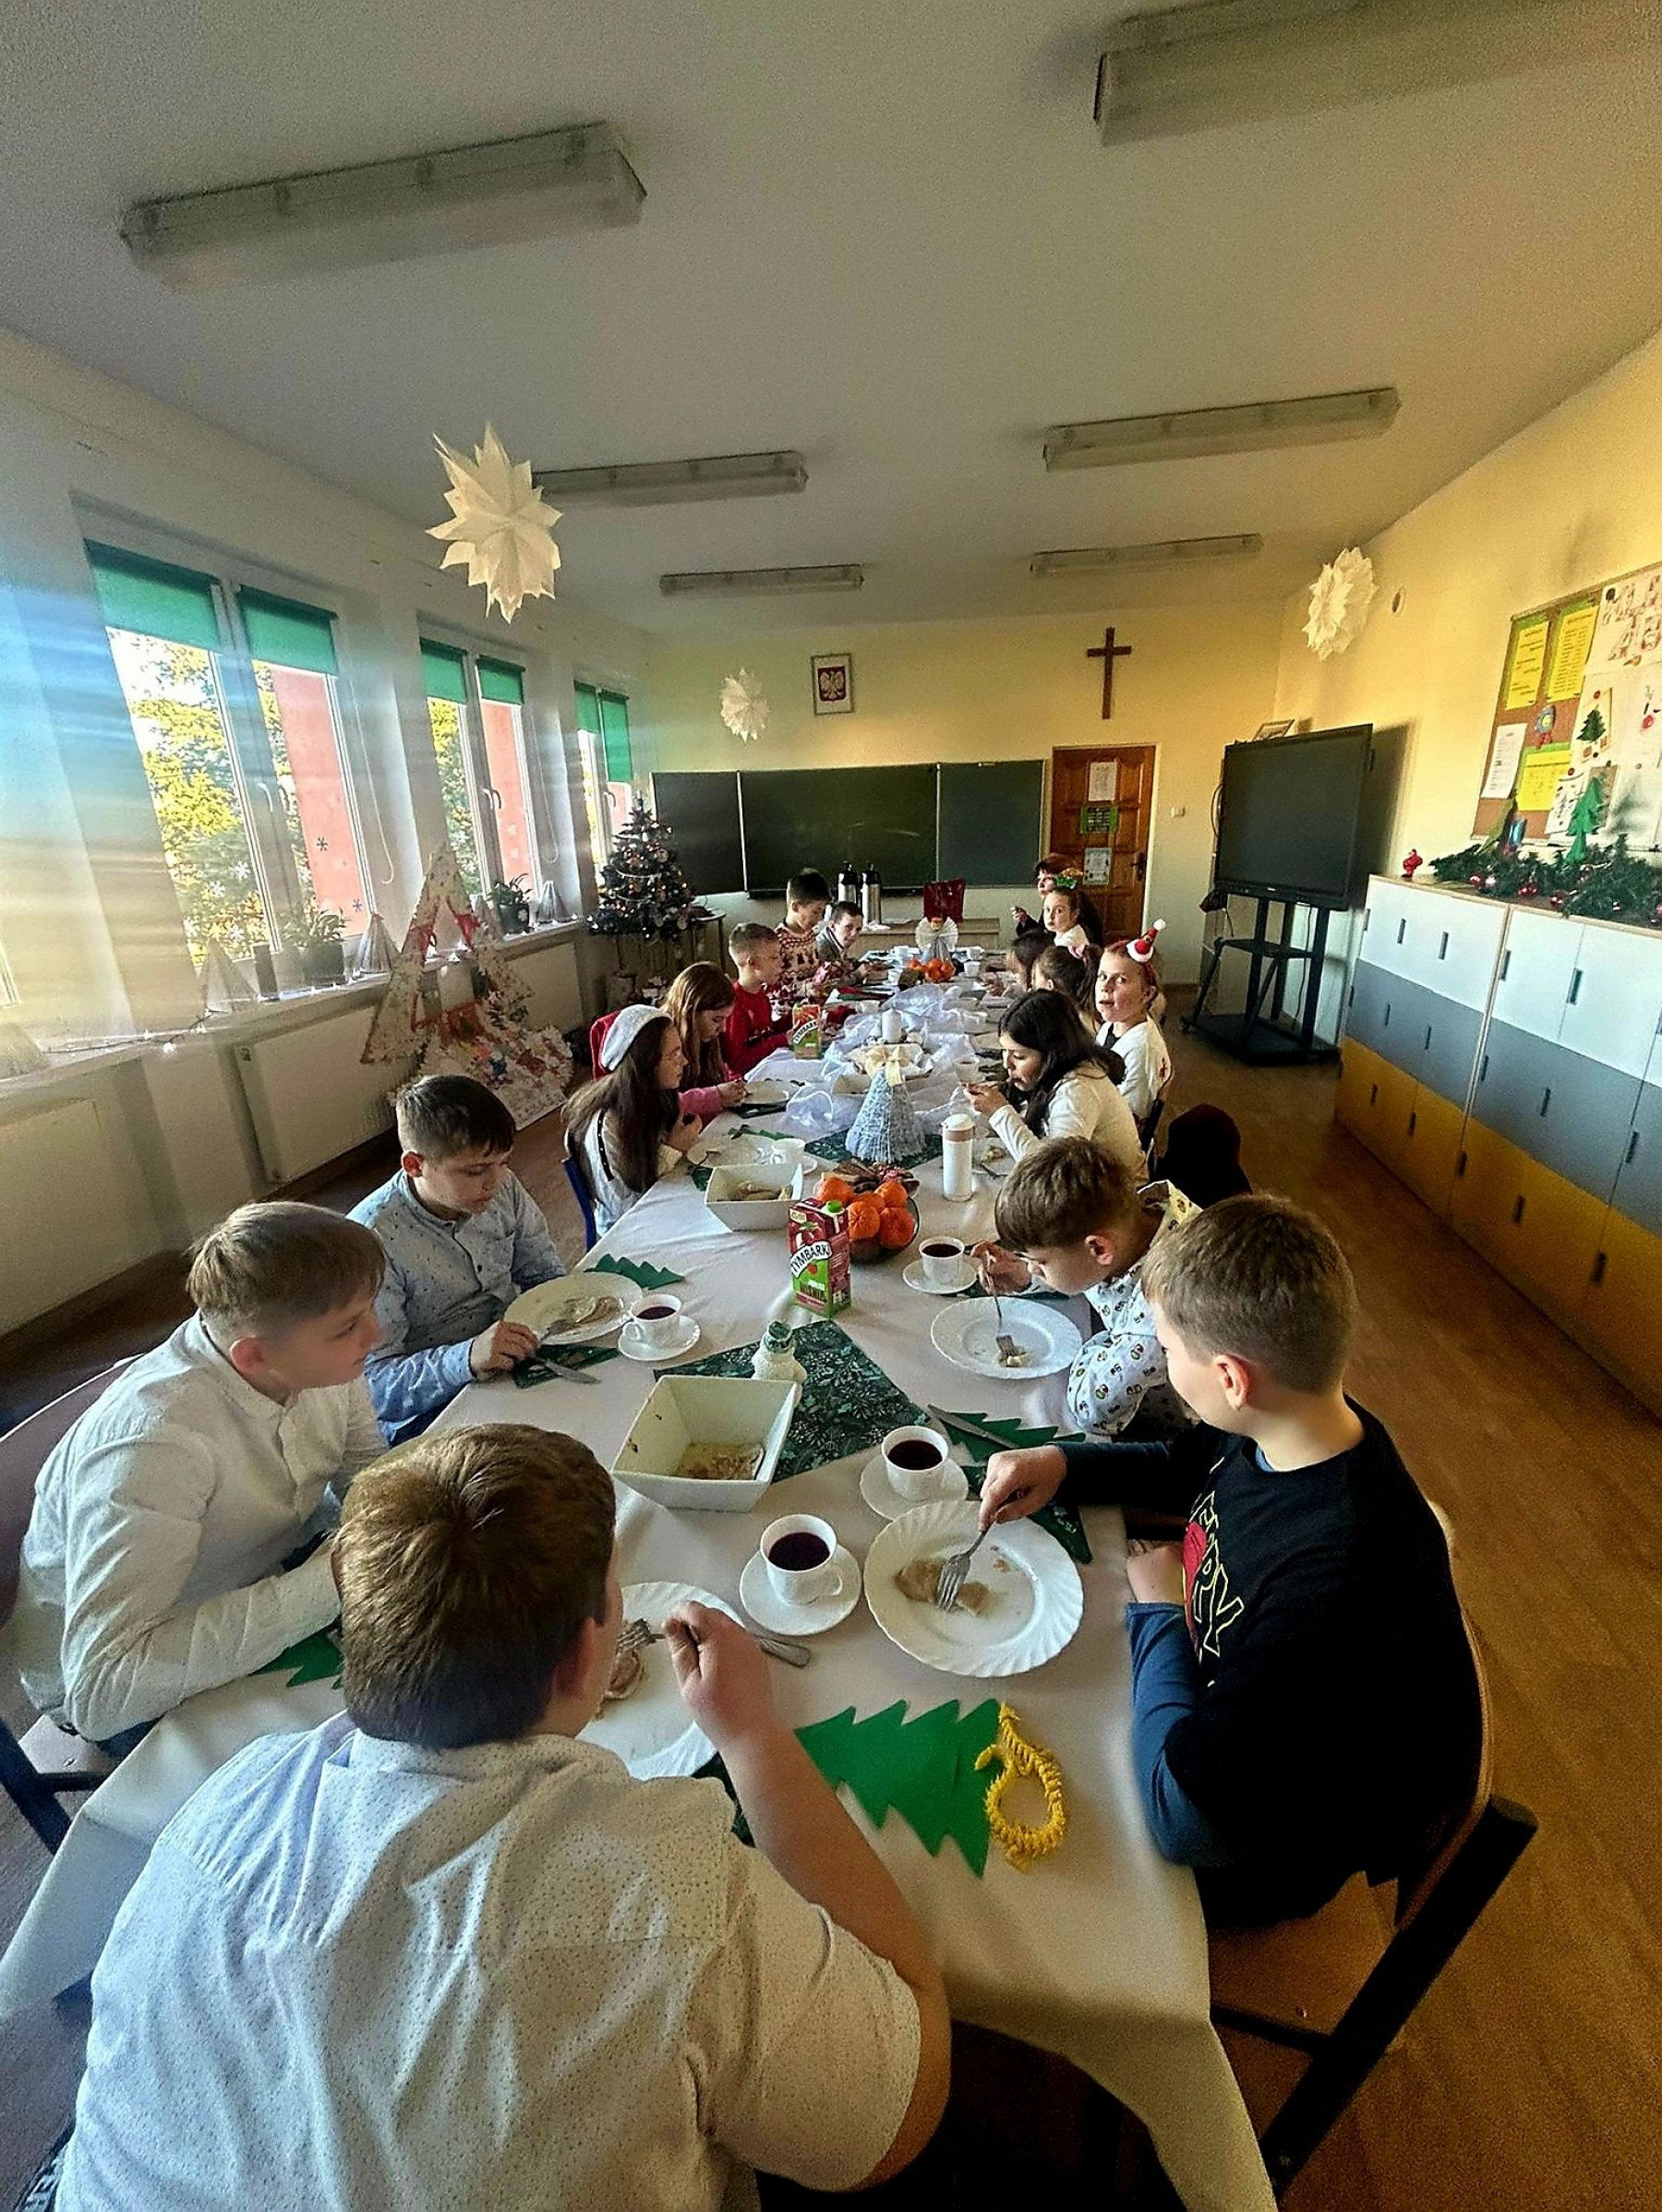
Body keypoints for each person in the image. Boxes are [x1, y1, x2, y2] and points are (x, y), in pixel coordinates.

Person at [55, 1425, 950, 2211]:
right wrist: (752, 1735)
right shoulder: (673, 1898)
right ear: (587, 1655)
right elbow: (898, 2112)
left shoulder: (227, 1797)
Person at [977, 1196, 1481, 1926]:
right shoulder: (1293, 1424)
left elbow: (1185, 1823)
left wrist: (1159, 1614)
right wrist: (1062, 1463)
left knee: (1000, 1859)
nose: (1162, 1360)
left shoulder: (1335, 1584)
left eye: (1168, 1349)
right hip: (1223, 1710)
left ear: (1231, 1378)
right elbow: (1187, 1464)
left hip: (1254, 1852)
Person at [5, 1203, 385, 1747]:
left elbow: (365, 1472)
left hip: (262, 1574)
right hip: (132, 1685)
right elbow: (104, 1691)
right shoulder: (155, 1446)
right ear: (252, 1357)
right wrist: (333, 1579)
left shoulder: (309, 1356)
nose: (377, 1333)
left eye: (369, 1309)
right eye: (349, 1326)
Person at [351, 1075, 566, 1444]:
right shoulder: (370, 1241)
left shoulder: (502, 1186)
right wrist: (465, 1359)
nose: (495, 1181)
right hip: (437, 1410)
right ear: (414, 1165)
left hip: (517, 1361)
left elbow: (543, 1275)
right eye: (475, 1171)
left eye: (503, 1162)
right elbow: (372, 1389)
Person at [974, 1138, 1198, 1439]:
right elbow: (1085, 1268)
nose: (1033, 1268)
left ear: (1099, 1248)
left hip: (1176, 1437)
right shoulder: (1137, 1220)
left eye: (1040, 1262)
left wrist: (1099, 1343)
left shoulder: (1156, 1322)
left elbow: (1091, 1411)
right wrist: (1027, 1276)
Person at [966, 989, 1141, 1172]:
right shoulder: (1061, 1070)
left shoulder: (1077, 1089)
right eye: (1004, 1051)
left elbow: (1050, 1172)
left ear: (1051, 1055)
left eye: (1018, 1056)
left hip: (1117, 1188)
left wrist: (999, 1112)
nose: (1006, 1064)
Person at [566, 1004, 701, 1233]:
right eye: (674, 1054)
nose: (684, 1061)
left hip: (665, 1212)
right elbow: (628, 1211)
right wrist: (673, 1149)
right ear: (645, 1064)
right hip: (628, 1234)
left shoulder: (658, 1097)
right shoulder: (607, 1125)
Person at [1094, 940, 1173, 1124]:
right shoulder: (1112, 1025)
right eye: (1102, 976)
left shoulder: (1141, 1052)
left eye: (1120, 980)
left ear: (1147, 994)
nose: (1106, 987)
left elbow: (1128, 1121)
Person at [661, 962, 746, 1121]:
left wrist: (731, 1086)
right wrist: (715, 1096)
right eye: (716, 1020)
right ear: (690, 1012)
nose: (723, 1029)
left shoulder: (706, 1040)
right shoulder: (661, 1041)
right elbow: (660, 1106)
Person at [723, 922, 790, 1076]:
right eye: (774, 957)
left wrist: (796, 1019)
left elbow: (765, 1033)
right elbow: (737, 1064)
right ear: (752, 962)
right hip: (746, 1079)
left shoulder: (761, 994)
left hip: (767, 1067)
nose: (781, 963)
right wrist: (783, 1039)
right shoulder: (734, 1005)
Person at [774, 869, 832, 1004]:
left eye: (822, 913)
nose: (819, 919)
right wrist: (803, 989)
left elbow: (815, 972)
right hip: (789, 1010)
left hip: (813, 1007)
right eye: (815, 912)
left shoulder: (810, 935)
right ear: (795, 907)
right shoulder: (778, 941)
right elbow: (772, 989)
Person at [1033, 939, 1099, 1026]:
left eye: (1034, 978)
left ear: (1050, 985)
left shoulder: (1072, 1025)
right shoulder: (1088, 1015)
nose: (1033, 985)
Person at [812, 898, 866, 992]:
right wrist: (857, 976)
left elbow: (841, 966)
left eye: (858, 929)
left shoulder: (837, 941)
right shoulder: (822, 949)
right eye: (848, 927)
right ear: (832, 926)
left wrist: (856, 964)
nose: (854, 934)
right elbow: (825, 986)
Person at [1042, 878, 1102, 954]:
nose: (1050, 916)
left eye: (1058, 911)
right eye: (1047, 909)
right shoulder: (1068, 932)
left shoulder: (1068, 943)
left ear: (1075, 914)